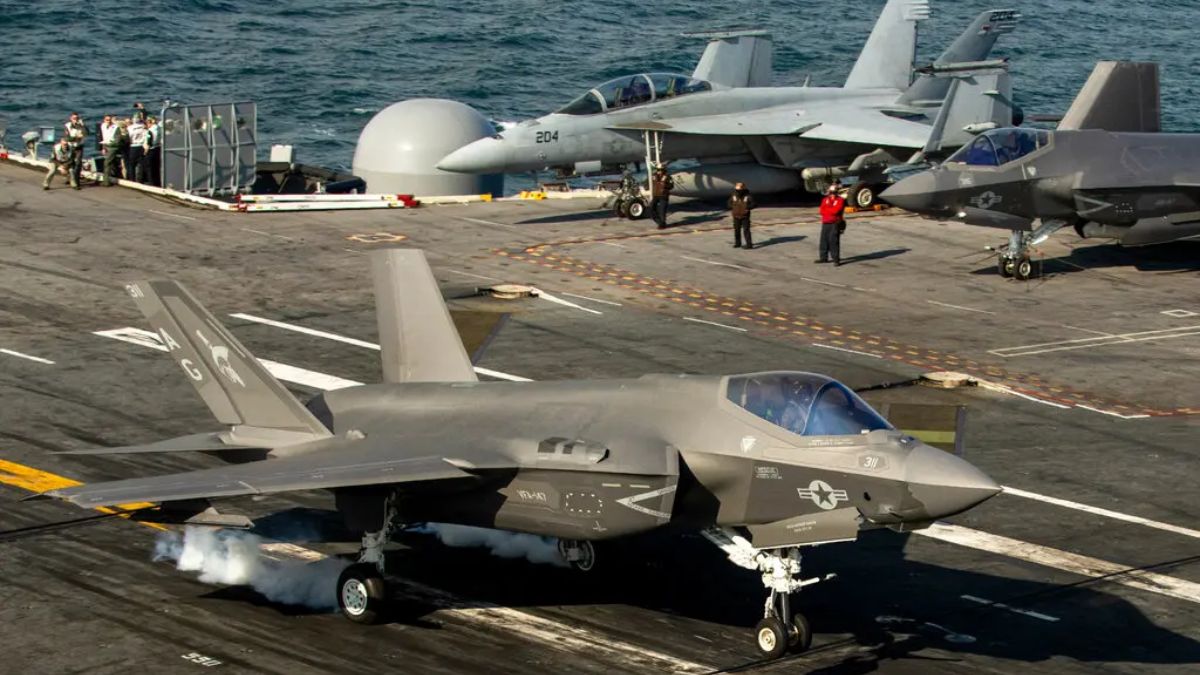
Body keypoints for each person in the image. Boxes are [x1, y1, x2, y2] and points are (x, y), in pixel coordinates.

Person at [817, 182, 847, 265]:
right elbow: (821, 211)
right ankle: (823, 257)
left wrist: (828, 210)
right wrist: (829, 210)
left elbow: (836, 211)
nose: (832, 195)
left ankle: (836, 259)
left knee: (834, 241)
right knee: (824, 241)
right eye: (831, 193)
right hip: (826, 222)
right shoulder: (825, 200)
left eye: (834, 193)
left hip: (835, 223)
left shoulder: (840, 200)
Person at [62, 112, 87, 188]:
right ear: (71, 119)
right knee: (69, 163)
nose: (75, 120)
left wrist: (83, 125)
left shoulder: (81, 126)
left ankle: (76, 182)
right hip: (70, 147)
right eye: (74, 118)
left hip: (79, 147)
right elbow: (67, 138)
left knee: (78, 164)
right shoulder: (67, 126)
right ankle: (68, 178)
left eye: (77, 118)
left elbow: (86, 133)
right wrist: (76, 137)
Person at [728, 181, 756, 249]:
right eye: (737, 189)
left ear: (743, 189)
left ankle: (749, 244)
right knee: (737, 230)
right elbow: (729, 203)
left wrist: (747, 208)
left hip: (745, 216)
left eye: (739, 190)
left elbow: (754, 204)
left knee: (746, 230)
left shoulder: (748, 196)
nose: (738, 191)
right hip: (736, 215)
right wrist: (733, 208)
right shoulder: (734, 195)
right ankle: (738, 243)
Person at [126, 115, 148, 183]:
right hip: (142, 146)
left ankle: (132, 180)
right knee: (141, 164)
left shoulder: (130, 128)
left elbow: (129, 137)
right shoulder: (144, 126)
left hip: (133, 146)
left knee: (132, 165)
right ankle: (141, 179)